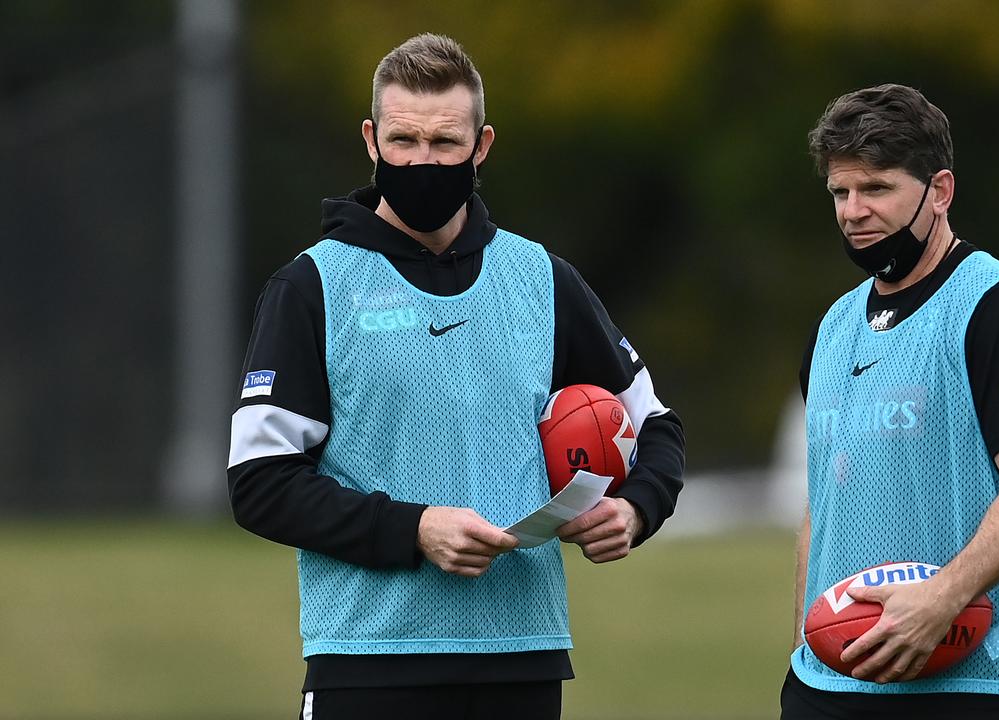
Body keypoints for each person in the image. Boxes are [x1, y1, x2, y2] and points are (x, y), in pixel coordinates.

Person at [227, 33, 684, 720]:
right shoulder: (311, 286)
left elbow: (654, 426)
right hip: (367, 664)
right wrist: (414, 528)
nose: (423, 160)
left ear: (482, 145)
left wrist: (636, 508)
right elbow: (259, 481)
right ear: (371, 141)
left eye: (445, 143)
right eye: (404, 139)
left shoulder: (541, 279)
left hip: (523, 660)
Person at [782, 84, 999, 719]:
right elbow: (825, 497)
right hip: (826, 683)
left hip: (965, 681)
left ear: (938, 191)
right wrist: (804, 637)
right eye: (840, 192)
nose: (853, 210)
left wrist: (942, 599)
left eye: (877, 188)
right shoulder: (833, 327)